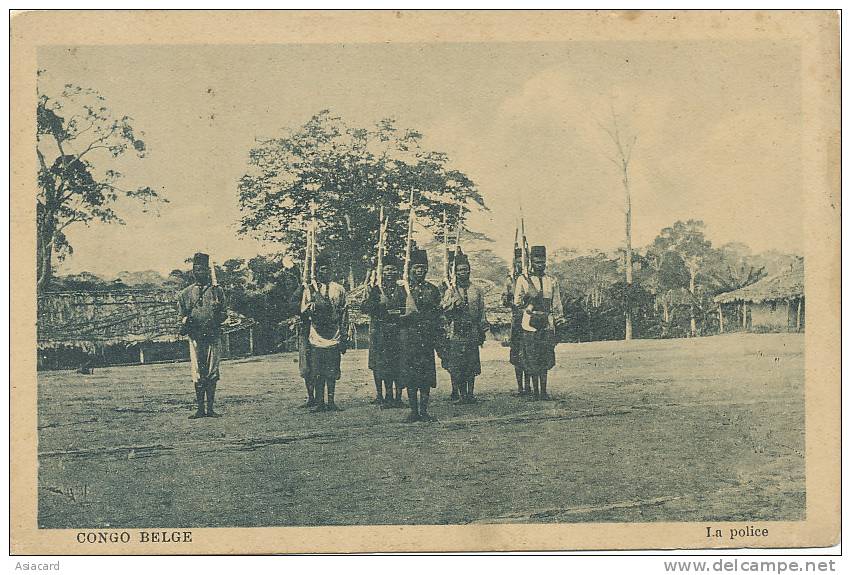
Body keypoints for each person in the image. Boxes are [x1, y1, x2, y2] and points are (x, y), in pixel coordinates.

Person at [177, 252, 227, 419]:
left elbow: (224, 314)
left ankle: (210, 408)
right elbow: (181, 317)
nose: (200, 273)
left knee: (212, 372)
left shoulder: (217, 291)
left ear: (208, 271)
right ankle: (200, 409)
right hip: (196, 337)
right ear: (192, 271)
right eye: (196, 269)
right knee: (198, 373)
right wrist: (187, 321)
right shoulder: (185, 294)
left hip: (213, 335)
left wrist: (218, 310)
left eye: (203, 269)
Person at [297, 252, 349, 412]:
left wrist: (344, 334)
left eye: (327, 269)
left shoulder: (338, 289)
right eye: (321, 270)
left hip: (334, 333)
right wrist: (310, 307)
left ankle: (331, 401)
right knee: (317, 371)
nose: (324, 273)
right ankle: (319, 402)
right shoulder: (310, 290)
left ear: (331, 271)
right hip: (316, 335)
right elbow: (302, 311)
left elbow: (345, 312)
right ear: (317, 272)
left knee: (332, 370)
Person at [513, 245, 565, 400]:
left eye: (542, 262)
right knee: (532, 358)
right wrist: (528, 303)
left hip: (547, 324)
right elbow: (517, 302)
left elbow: (557, 303)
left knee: (545, 358)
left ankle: (543, 391)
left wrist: (559, 321)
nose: (540, 265)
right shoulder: (523, 280)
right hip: (529, 324)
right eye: (537, 262)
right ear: (531, 262)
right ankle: (535, 392)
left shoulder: (551, 281)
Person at [399, 248, 442, 423]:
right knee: (410, 376)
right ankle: (413, 411)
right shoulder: (403, 289)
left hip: (426, 337)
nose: (420, 271)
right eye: (416, 267)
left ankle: (424, 411)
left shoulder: (432, 289)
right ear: (410, 269)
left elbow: (438, 312)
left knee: (425, 376)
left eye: (423, 267)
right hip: (408, 338)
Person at [440, 252, 488, 404]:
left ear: (469, 270)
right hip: (456, 331)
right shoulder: (450, 291)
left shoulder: (477, 290)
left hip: (472, 331)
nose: (463, 272)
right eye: (460, 270)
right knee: (458, 365)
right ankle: (461, 395)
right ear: (456, 272)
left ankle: (470, 394)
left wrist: (482, 329)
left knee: (471, 364)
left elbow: (482, 310)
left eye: (465, 269)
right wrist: (453, 304)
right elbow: (444, 309)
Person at [361, 255, 405, 408]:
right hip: (380, 332)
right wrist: (377, 304)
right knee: (381, 364)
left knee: (398, 364)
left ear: (397, 271)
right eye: (387, 270)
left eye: (393, 269)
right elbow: (365, 308)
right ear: (382, 272)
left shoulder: (403, 289)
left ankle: (398, 397)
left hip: (398, 332)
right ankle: (385, 396)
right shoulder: (376, 289)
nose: (390, 272)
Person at [502, 247, 531, 395]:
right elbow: (504, 301)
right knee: (517, 355)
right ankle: (521, 387)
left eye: (523, 263)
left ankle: (530, 386)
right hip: (517, 321)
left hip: (531, 320)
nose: (520, 265)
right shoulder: (510, 280)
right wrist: (509, 300)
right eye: (517, 263)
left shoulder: (531, 280)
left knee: (530, 353)